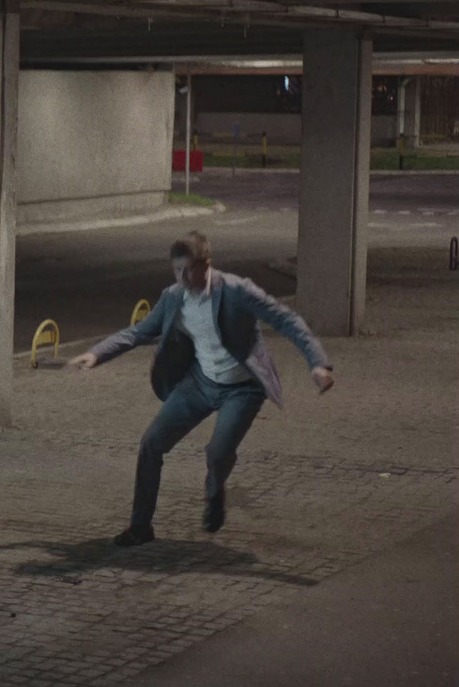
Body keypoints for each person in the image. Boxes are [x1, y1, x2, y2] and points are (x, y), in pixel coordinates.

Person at [67, 232, 335, 546]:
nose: (181, 278)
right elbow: (140, 331)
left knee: (218, 452)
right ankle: (140, 527)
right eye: (175, 270)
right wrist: (97, 353)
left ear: (205, 265)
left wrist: (317, 363)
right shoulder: (173, 296)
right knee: (151, 443)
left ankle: (214, 490)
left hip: (242, 388)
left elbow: (286, 319)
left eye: (187, 270)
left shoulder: (237, 291)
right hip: (200, 382)